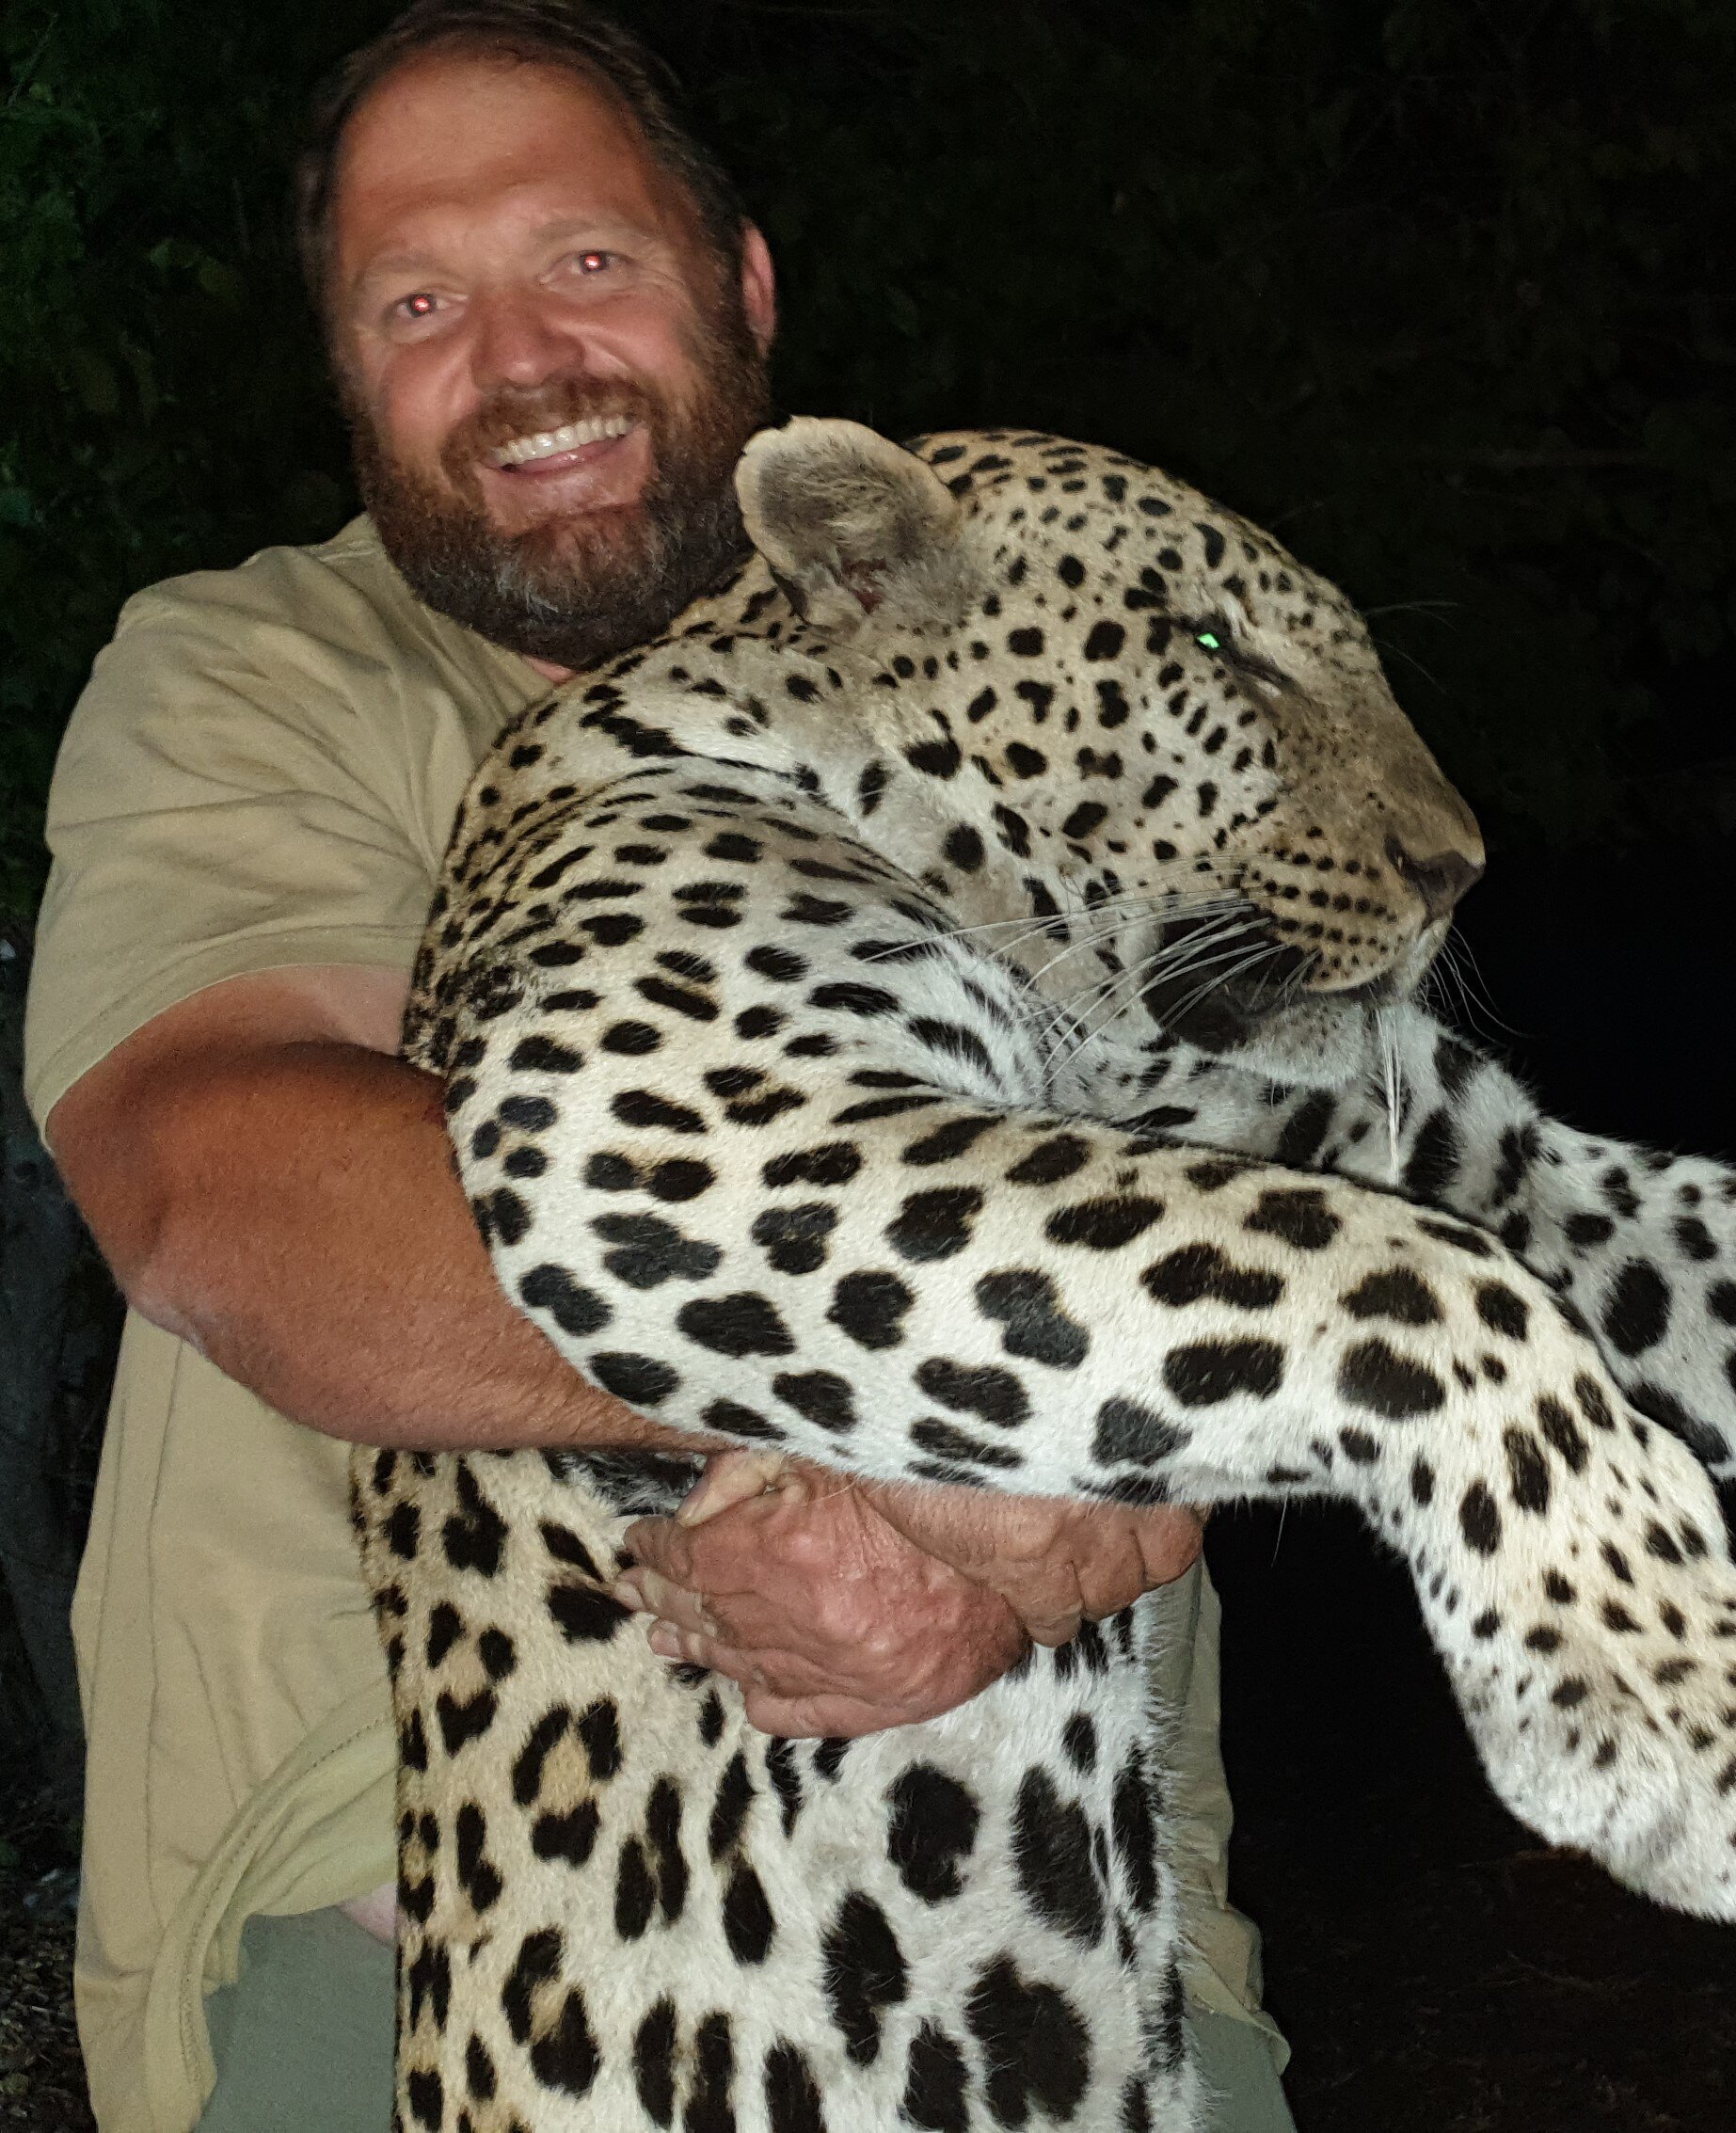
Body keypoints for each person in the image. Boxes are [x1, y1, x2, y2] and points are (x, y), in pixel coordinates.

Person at [24, 5, 1293, 2128]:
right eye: (417, 301)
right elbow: (228, 1187)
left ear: (746, 286)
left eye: (587, 259)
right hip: (462, 1961)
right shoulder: (260, 671)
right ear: (351, 376)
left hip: (1091, 1940)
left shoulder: (1029, 650)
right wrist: (924, 1395)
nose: (520, 358)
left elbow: (1257, 1230)